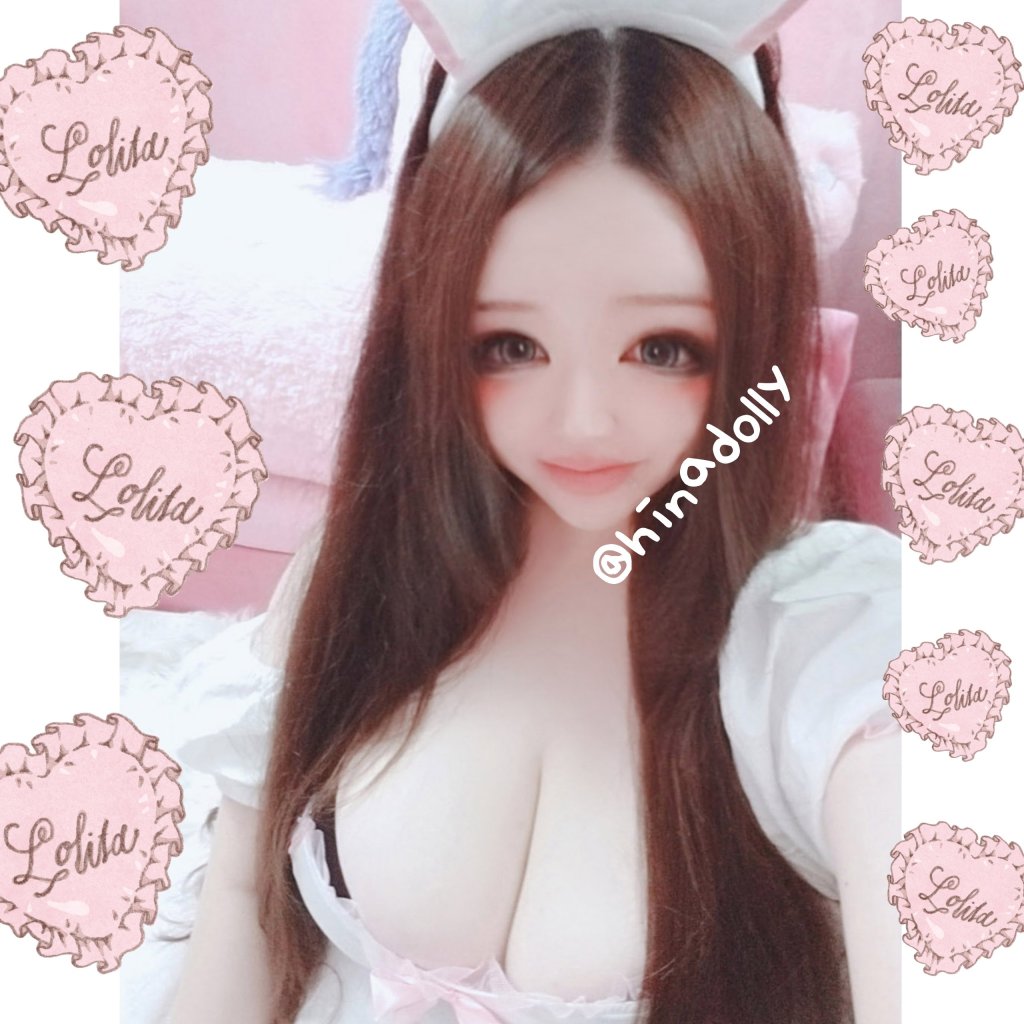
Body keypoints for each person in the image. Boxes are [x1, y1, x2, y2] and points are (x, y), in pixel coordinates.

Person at [170, 3, 900, 1022]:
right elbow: (245, 900)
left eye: (662, 348)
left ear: (748, 333)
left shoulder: (825, 636)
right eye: (510, 346)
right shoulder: (364, 574)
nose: (583, 419)